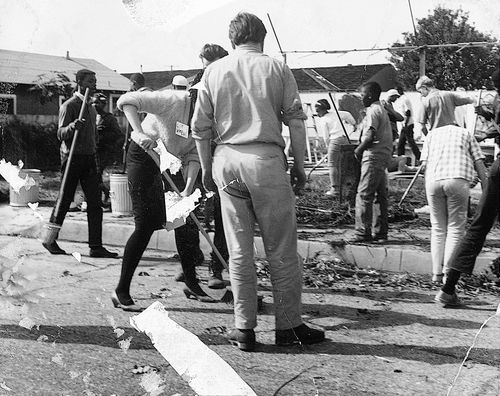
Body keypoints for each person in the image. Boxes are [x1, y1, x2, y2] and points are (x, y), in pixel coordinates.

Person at [191, 11, 325, 351]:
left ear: (233, 39)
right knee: (281, 249)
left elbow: (199, 127)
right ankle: (288, 326)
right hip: (265, 159)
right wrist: (298, 164)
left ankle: (244, 328)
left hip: (226, 160)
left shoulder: (214, 70)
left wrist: (206, 168)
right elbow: (295, 119)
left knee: (238, 249)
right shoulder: (277, 68)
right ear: (261, 37)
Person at [112, 76, 214, 311]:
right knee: (146, 224)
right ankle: (121, 290)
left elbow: (193, 155)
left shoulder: (209, 117)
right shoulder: (173, 99)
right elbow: (128, 101)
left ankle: (191, 282)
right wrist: (138, 132)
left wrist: (188, 189)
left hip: (172, 162)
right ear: (197, 96)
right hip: (144, 156)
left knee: (184, 219)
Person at [435, 69, 500, 307]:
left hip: (497, 169)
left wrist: (489, 124)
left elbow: (494, 130)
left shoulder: (497, 100)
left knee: (479, 225)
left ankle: (447, 287)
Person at [42, 69, 118, 258]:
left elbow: (93, 137)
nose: (94, 84)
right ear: (80, 83)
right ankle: (49, 240)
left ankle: (95, 246)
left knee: (95, 203)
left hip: (89, 159)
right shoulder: (69, 106)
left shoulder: (91, 107)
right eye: (91, 81)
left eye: (95, 80)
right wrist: (72, 127)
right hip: (72, 158)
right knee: (65, 199)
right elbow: (60, 134)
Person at [421, 124, 487, 284]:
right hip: (457, 180)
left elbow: (424, 165)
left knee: (437, 228)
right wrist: (487, 190)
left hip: (433, 181)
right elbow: (479, 164)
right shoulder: (466, 133)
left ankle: (436, 273)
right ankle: (448, 275)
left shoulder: (432, 134)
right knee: (455, 228)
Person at [189, 43, 230, 289]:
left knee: (223, 214)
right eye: (205, 66)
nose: (207, 71)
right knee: (190, 212)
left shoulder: (230, 83)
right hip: (195, 155)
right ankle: (191, 262)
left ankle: (217, 266)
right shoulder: (197, 83)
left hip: (222, 155)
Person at [353, 81, 393, 243]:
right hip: (383, 155)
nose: (361, 99)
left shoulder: (373, 111)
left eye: (362, 95)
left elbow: (369, 136)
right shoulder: (381, 110)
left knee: (364, 194)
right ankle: (381, 231)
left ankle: (363, 232)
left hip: (373, 155)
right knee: (379, 195)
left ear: (369, 95)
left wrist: (358, 150)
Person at [315, 99, 356, 197]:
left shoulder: (323, 119)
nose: (317, 113)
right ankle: (345, 187)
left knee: (332, 165)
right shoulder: (337, 114)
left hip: (334, 140)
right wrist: (353, 124)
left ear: (323, 110)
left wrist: (328, 146)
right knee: (341, 165)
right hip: (344, 139)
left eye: (318, 111)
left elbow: (326, 137)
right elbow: (347, 115)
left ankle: (335, 189)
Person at [92, 93, 123, 208]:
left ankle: (105, 195)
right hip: (92, 151)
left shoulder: (109, 118)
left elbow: (118, 135)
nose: (95, 105)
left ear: (104, 104)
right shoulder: (91, 116)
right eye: (93, 102)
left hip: (104, 151)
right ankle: (102, 196)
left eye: (98, 103)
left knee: (97, 174)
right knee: (93, 176)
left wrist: (104, 135)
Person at [395, 86, 420, 160]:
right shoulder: (401, 99)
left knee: (409, 142)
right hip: (405, 124)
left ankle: (418, 157)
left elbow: (408, 112)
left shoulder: (404, 99)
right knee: (402, 143)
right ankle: (401, 158)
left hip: (407, 124)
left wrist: (405, 124)